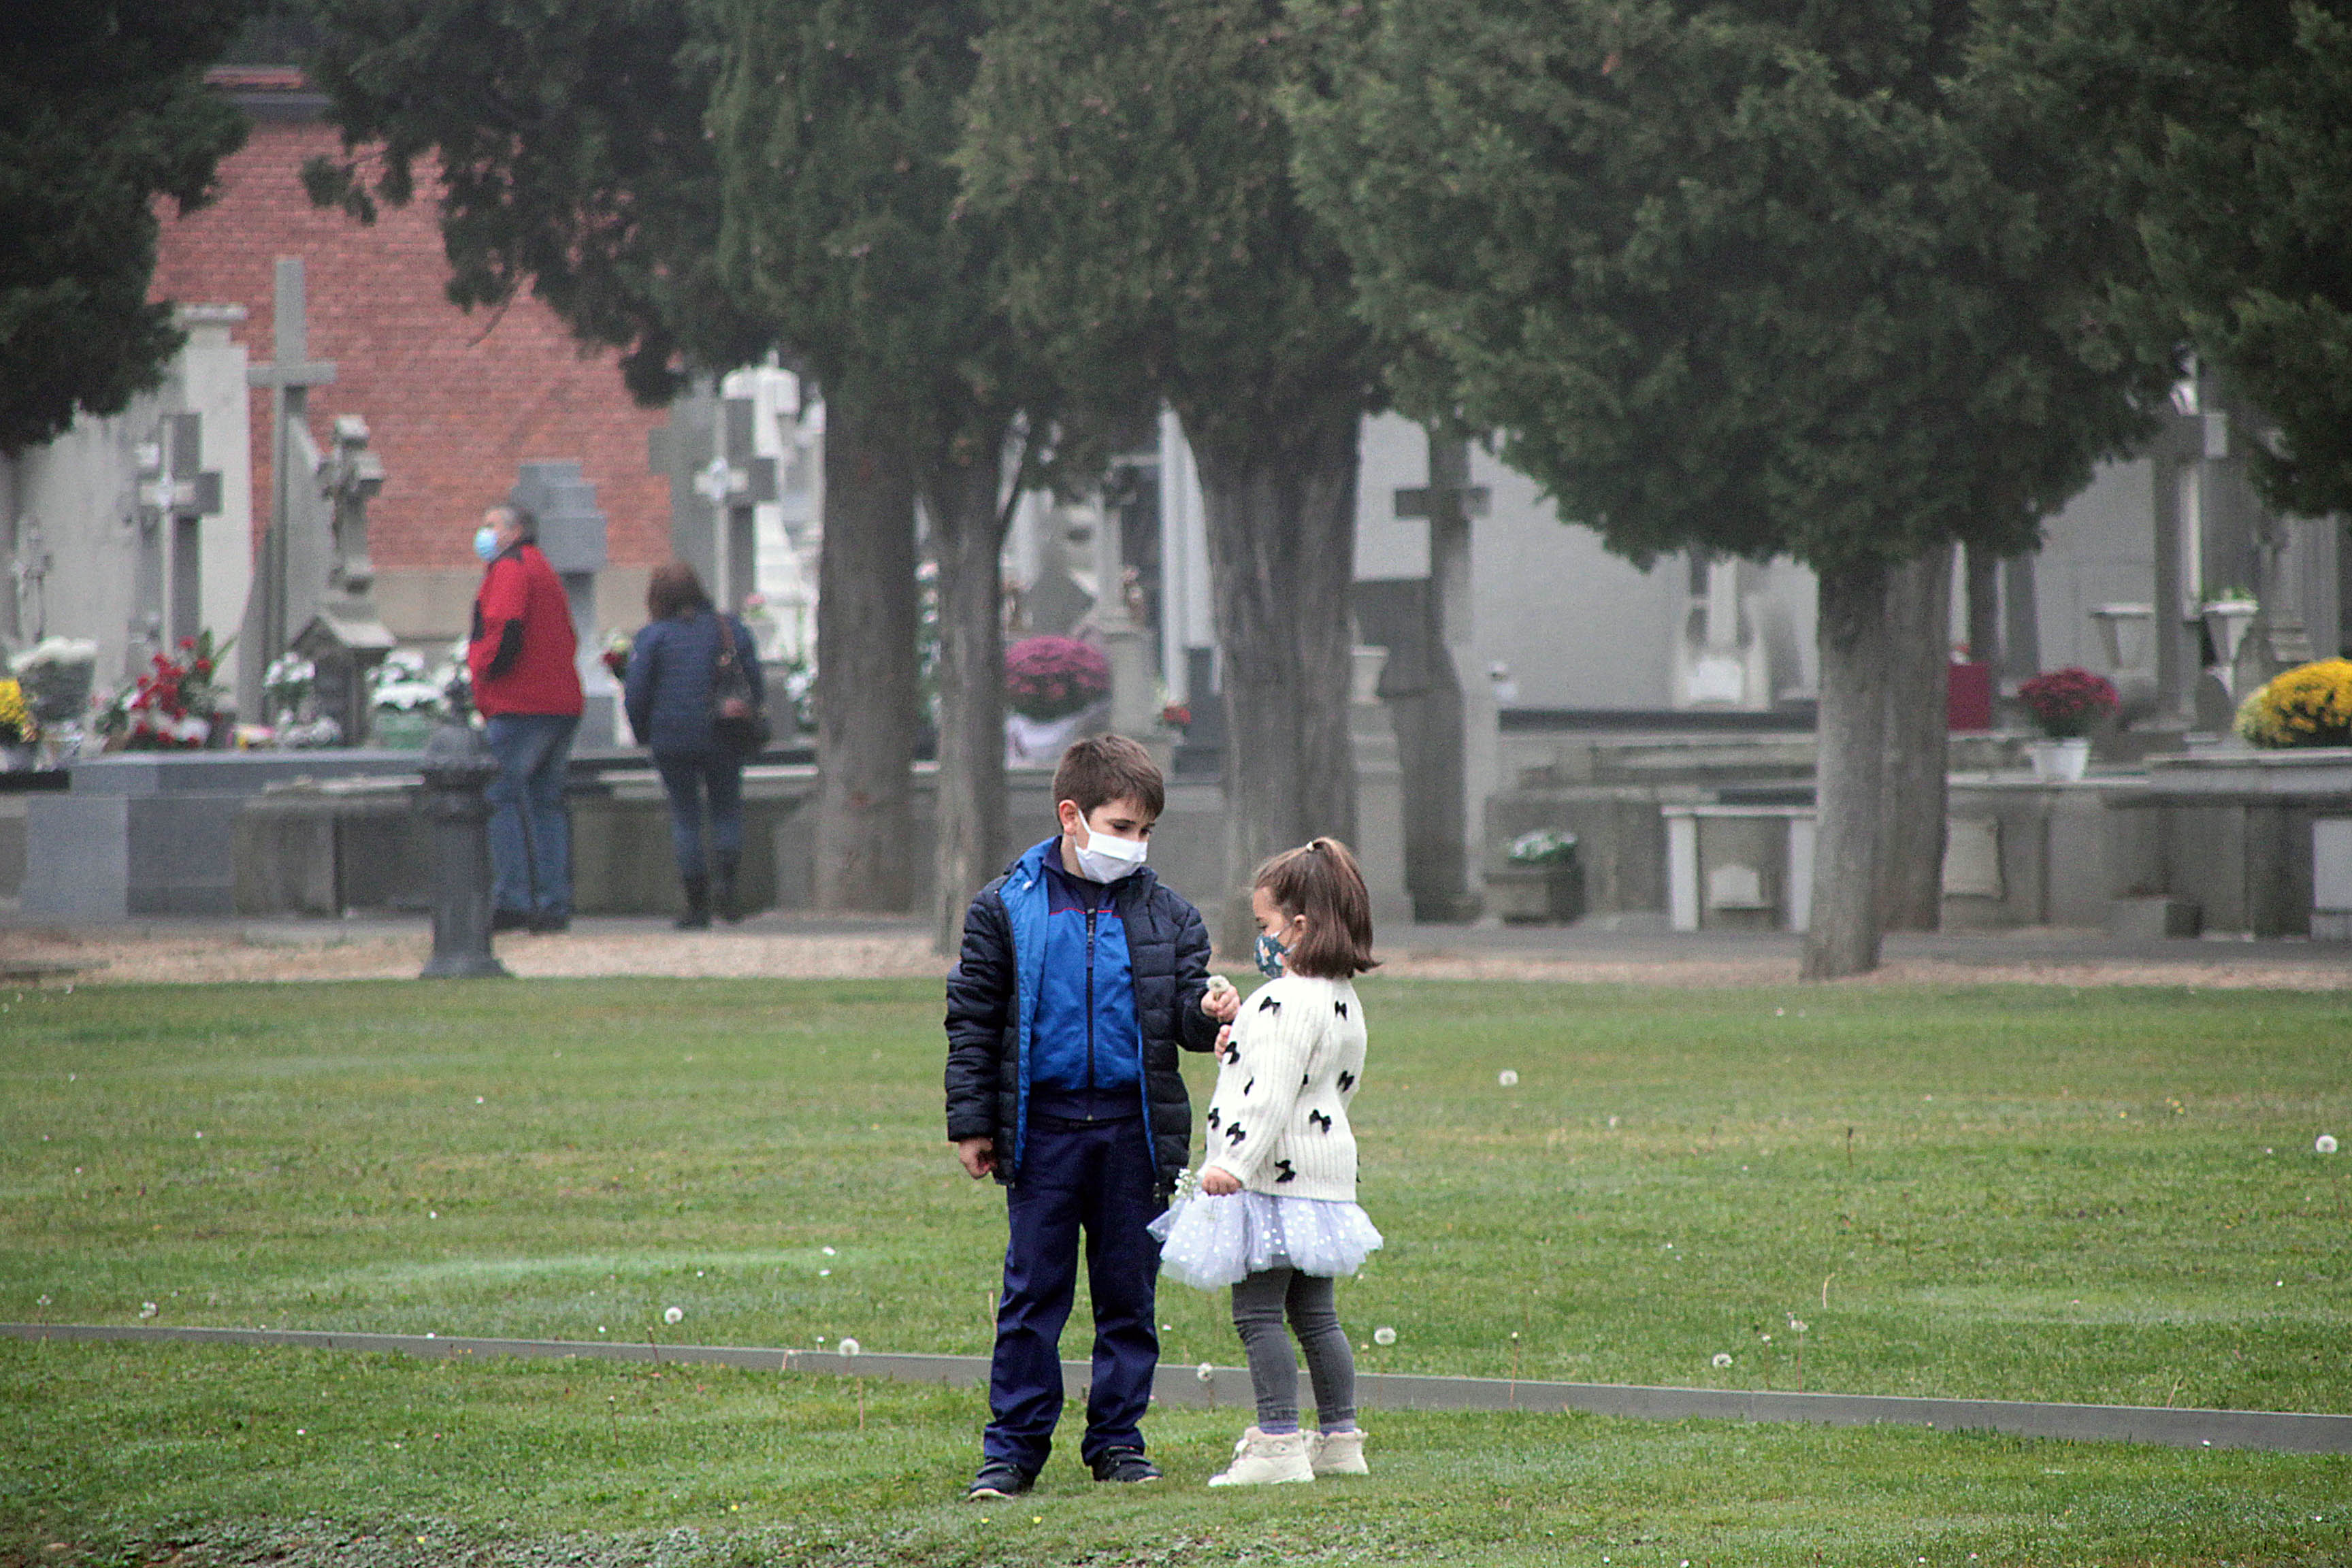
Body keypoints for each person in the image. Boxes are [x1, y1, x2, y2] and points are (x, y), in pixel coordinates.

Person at [944, 734, 1242, 1499]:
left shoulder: (1171, 917)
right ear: (1072, 817)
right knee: (1032, 1296)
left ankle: (1118, 1441)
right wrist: (971, 1122)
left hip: (1132, 1134)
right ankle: (1011, 1452)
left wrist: (1209, 1013)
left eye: (1145, 831)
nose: (1134, 845)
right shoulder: (1003, 906)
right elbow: (975, 1019)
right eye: (1120, 827)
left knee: (1127, 1299)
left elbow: (1181, 1018)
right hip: (1040, 1132)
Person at [1152, 837, 1384, 1486]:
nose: (1261, 938)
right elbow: (1319, 1084)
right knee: (1316, 1315)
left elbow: (1271, 1094)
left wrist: (1234, 1163)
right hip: (1324, 1177)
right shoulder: (1339, 999)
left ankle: (1278, 1442)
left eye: (1264, 926)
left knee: (1257, 1313)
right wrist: (1237, 1039)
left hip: (1270, 1177)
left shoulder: (1282, 999)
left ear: (1299, 927)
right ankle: (1340, 1438)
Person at [623, 561, 766, 928]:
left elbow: (637, 691)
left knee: (685, 815)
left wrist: (642, 733)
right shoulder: (728, 628)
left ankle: (697, 905)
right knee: (726, 810)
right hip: (723, 732)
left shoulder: (654, 637)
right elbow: (754, 680)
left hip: (672, 736)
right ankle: (728, 894)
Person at [466, 502, 583, 933]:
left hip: (520, 704)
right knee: (546, 803)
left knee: (502, 798)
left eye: (491, 524)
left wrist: (484, 672)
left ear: (514, 532)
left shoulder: (510, 569)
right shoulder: (542, 568)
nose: (484, 532)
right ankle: (553, 903)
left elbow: (504, 629)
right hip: (559, 704)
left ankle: (513, 899)